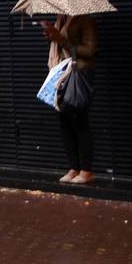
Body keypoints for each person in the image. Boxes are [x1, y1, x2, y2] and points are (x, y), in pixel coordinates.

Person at [46, 13, 98, 185]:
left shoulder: (85, 20)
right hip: (60, 74)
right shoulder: (60, 21)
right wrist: (51, 36)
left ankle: (86, 170)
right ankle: (74, 167)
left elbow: (89, 51)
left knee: (80, 122)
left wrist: (61, 39)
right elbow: (60, 48)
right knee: (65, 123)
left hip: (77, 74)